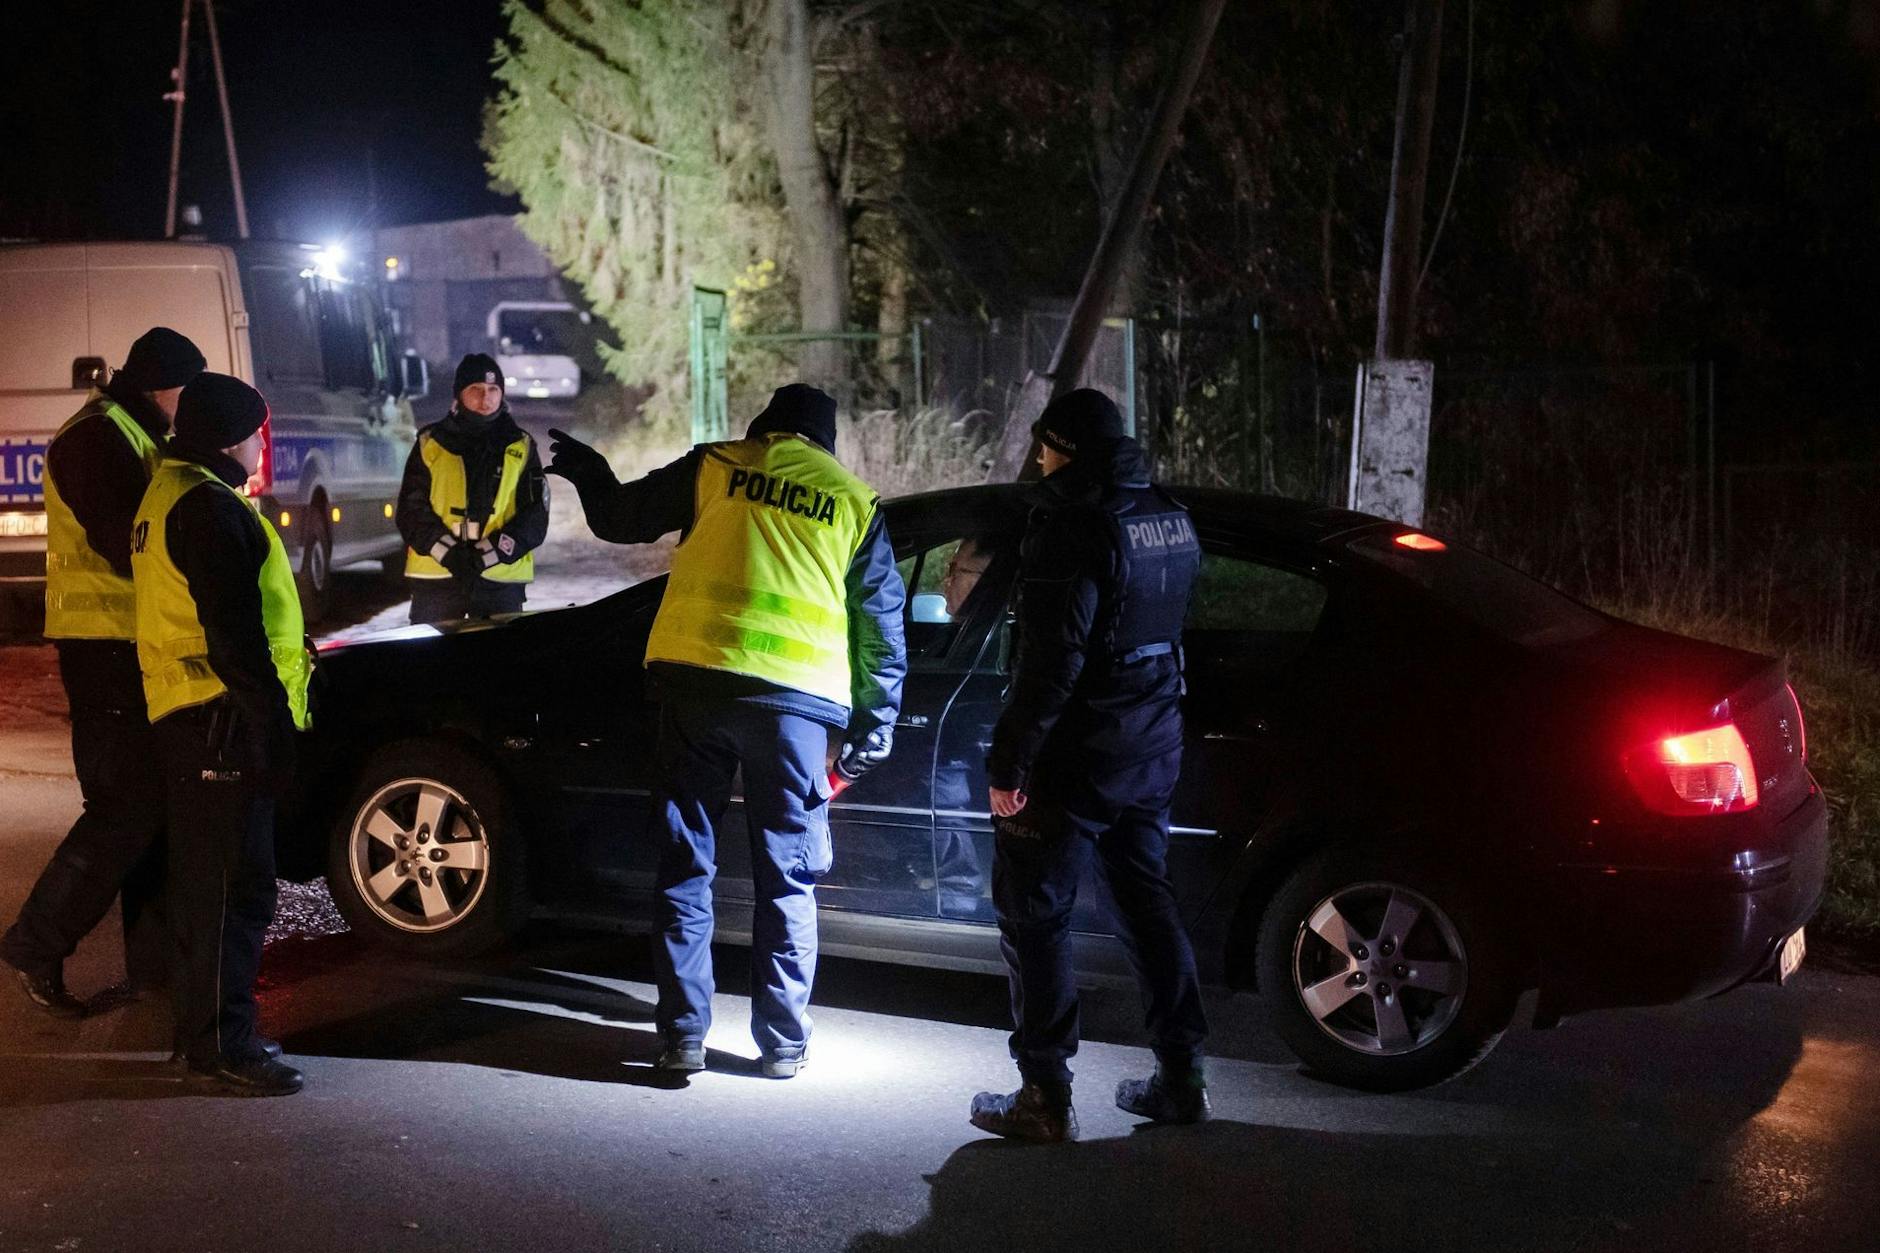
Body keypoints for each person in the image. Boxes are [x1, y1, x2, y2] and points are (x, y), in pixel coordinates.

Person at [546, 383, 906, 1077]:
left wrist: (590, 471)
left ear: (766, 425)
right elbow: (881, 627)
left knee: (686, 863)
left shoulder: (717, 464)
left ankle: (681, 1035)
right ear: (826, 442)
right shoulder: (854, 502)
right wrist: (875, 721)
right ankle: (783, 1043)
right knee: (787, 877)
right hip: (798, 710)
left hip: (697, 690)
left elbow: (623, 518)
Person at [969, 388, 1208, 1143]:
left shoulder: (1075, 522)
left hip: (1081, 752)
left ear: (1064, 447)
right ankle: (1182, 1079)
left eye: (1044, 444)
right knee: (1147, 903)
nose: (1038, 458)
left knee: (1034, 913)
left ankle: (1043, 1094)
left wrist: (1011, 761)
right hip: (1151, 737)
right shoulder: (1165, 513)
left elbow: (1053, 658)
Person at [1, 327, 204, 1016]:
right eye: (188, 389)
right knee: (124, 808)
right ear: (159, 384)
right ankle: (36, 942)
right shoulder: (96, 436)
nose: (192, 403)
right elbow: (126, 543)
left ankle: (152, 976)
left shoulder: (137, 432)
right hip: (103, 649)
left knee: (150, 810)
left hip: (135, 646)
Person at [131, 372, 308, 1096]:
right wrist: (271, 724)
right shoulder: (205, 504)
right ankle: (223, 1046)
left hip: (195, 716)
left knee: (211, 887)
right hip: (220, 718)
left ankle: (201, 1037)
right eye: (257, 430)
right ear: (232, 435)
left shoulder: (173, 490)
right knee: (236, 891)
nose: (262, 442)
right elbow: (234, 632)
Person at [397, 353, 549, 623]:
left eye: (493, 390)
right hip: (438, 578)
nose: (486, 398)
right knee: (428, 663)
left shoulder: (521, 446)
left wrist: (488, 553)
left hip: (500, 578)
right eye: (475, 389)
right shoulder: (430, 444)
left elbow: (535, 515)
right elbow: (411, 511)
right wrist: (449, 554)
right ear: (459, 394)